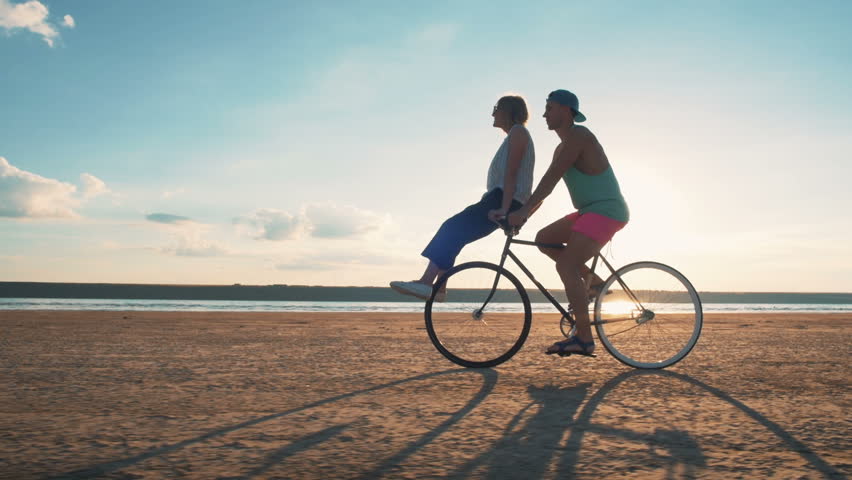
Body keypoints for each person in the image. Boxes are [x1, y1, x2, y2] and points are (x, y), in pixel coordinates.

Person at [505, 89, 629, 356]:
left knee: (566, 264)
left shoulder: (580, 136)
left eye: (549, 108)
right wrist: (524, 216)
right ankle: (594, 284)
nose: (544, 114)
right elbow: (546, 184)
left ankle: (584, 339)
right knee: (543, 239)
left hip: (607, 211)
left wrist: (523, 210)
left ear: (565, 110)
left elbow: (550, 180)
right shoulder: (562, 146)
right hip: (588, 212)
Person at [391, 95, 536, 301]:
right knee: (454, 231)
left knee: (452, 228)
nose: (493, 113)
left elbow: (512, 174)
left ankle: (430, 284)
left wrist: (505, 209)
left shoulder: (519, 132)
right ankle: (437, 288)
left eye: (496, 108)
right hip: (499, 199)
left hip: (504, 200)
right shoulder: (513, 135)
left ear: (508, 111)